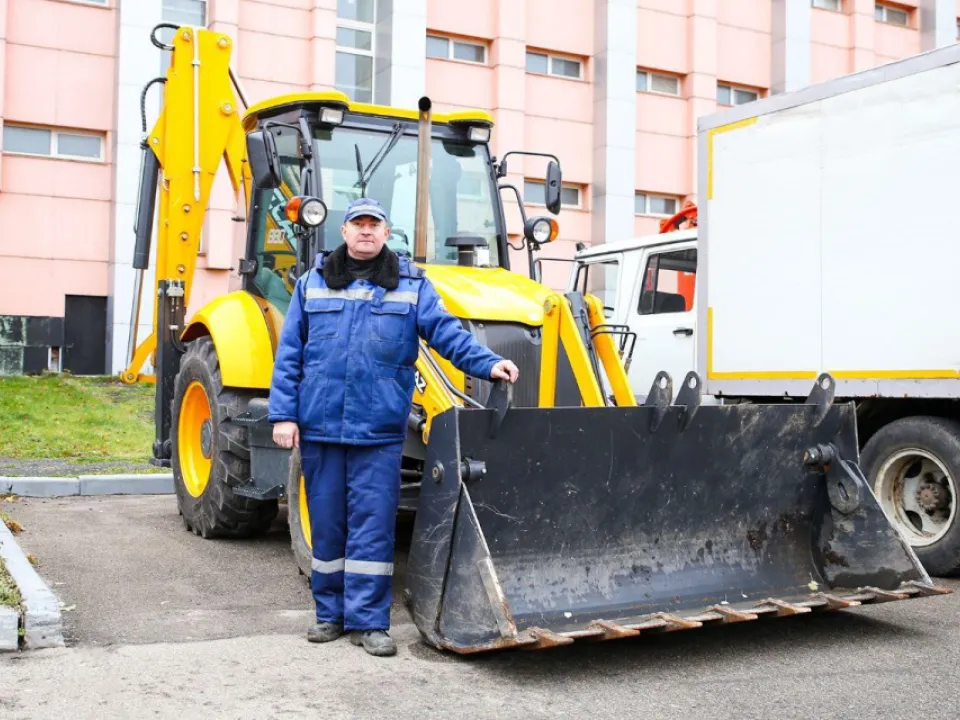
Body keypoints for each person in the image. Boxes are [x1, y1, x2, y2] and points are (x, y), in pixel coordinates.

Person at [267, 197, 519, 657]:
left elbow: (446, 334)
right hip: (320, 427)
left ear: (386, 233)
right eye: (357, 224)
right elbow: (289, 357)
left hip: (379, 430)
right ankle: (330, 616)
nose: (365, 231)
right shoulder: (312, 284)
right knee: (327, 526)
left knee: (373, 528)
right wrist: (283, 415)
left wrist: (489, 363)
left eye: (374, 225)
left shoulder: (411, 286)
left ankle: (369, 622)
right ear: (344, 232)